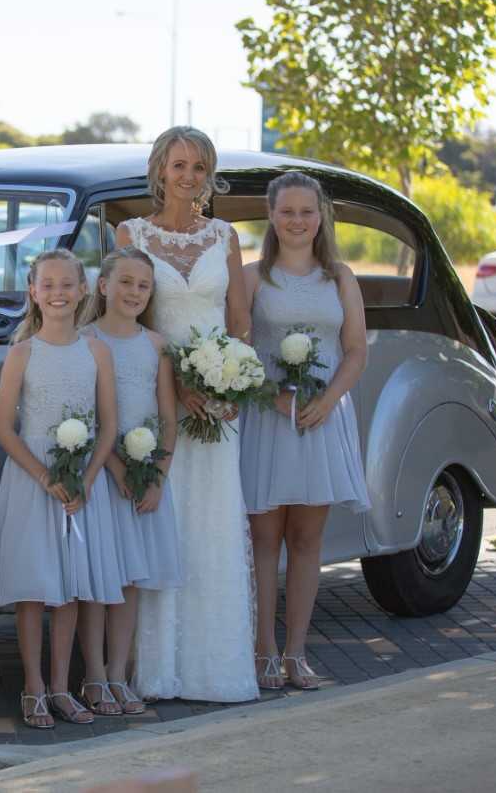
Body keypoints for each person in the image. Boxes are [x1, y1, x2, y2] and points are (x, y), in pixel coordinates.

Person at [115, 126, 259, 703]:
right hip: (152, 394)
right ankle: (154, 670)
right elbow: (125, 313)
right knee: (160, 520)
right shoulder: (132, 233)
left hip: (217, 405)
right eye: (179, 165)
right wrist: (175, 380)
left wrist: (230, 380)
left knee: (211, 525)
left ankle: (211, 669)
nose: (189, 177)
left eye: (199, 167)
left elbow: (240, 320)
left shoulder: (225, 236)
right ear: (159, 170)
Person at [240, 171, 371, 690]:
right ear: (271, 216)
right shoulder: (253, 278)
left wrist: (330, 398)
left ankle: (297, 652)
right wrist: (270, 396)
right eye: (287, 211)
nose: (298, 220)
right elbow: (237, 352)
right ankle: (263, 651)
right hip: (268, 420)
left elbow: (357, 349)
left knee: (307, 539)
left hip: (320, 420)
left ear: (322, 217)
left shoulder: (341, 278)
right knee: (264, 539)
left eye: (307, 211)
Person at [0, 247, 125, 728]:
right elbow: (4, 428)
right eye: (48, 285)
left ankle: (64, 688)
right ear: (33, 292)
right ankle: (34, 688)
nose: (58, 293)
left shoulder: (96, 350)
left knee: (70, 590)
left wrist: (85, 479)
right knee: (35, 589)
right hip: (33, 480)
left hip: (83, 482)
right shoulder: (22, 353)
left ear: (84, 289)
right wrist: (46, 477)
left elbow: (109, 425)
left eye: (68, 284)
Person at [78, 247, 184, 716]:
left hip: (144, 478)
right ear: (103, 286)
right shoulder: (83, 339)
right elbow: (81, 413)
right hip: (102, 475)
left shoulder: (156, 345)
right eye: (125, 282)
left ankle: (120, 673)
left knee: (131, 581)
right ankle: (94, 677)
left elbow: (168, 418)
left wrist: (156, 477)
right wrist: (116, 468)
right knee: (100, 579)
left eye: (143, 285)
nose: (134, 292)